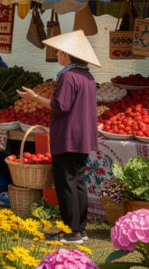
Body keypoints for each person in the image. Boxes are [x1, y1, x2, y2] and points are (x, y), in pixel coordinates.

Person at [17, 30, 98, 244]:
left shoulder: (68, 76)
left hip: (68, 136)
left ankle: (71, 232)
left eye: (59, 52)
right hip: (82, 137)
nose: (57, 55)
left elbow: (60, 106)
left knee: (67, 184)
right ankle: (80, 229)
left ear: (67, 54)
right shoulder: (88, 76)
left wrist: (35, 97)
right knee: (78, 182)